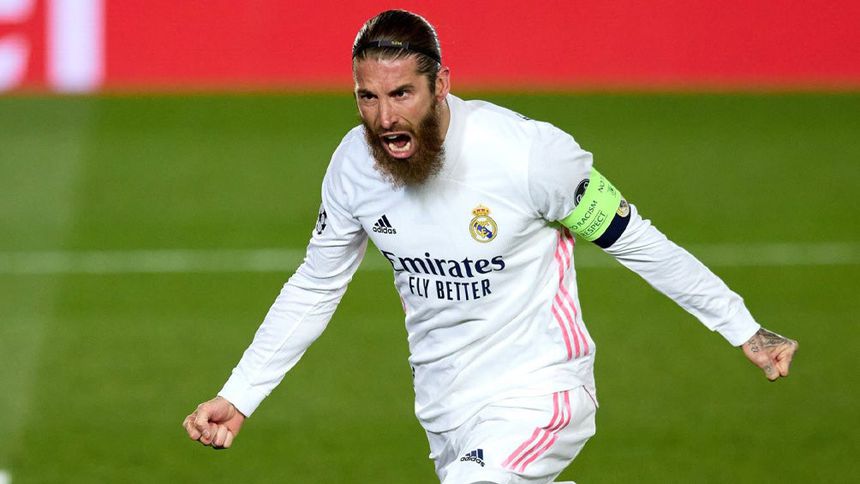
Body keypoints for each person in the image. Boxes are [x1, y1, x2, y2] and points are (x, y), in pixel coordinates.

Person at [183, 9, 798, 484]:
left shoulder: (529, 156)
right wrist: (240, 395)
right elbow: (316, 286)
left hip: (540, 390)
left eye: (402, 94)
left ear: (441, 84)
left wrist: (743, 327)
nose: (384, 118)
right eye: (368, 97)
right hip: (446, 408)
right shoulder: (354, 168)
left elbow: (637, 241)